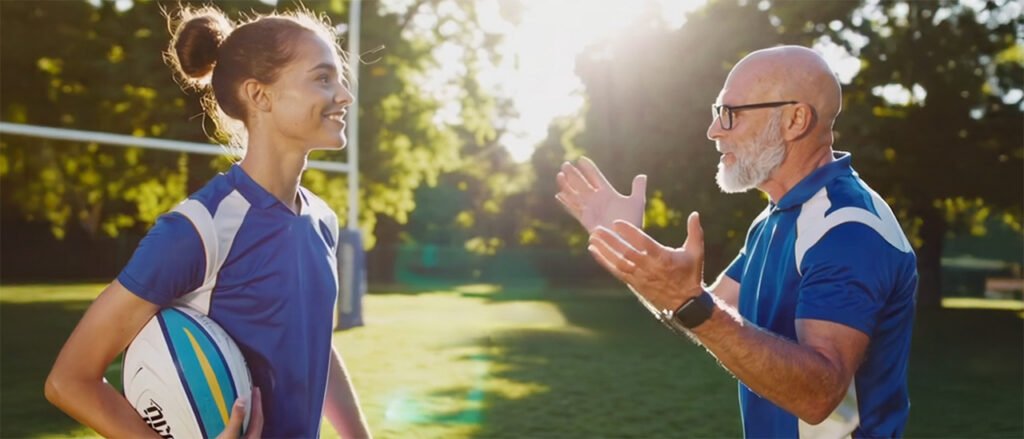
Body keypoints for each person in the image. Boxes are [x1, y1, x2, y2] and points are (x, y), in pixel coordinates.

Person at [556, 45, 918, 437]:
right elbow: (703, 314)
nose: (714, 130)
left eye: (731, 114)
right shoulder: (774, 219)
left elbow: (819, 395)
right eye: (717, 113)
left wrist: (689, 302)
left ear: (795, 119)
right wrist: (633, 252)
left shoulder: (848, 229)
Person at [44, 6, 371, 438]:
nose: (344, 95)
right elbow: (70, 380)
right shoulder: (199, 229)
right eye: (323, 78)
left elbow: (312, 346)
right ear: (260, 95)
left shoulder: (322, 220)